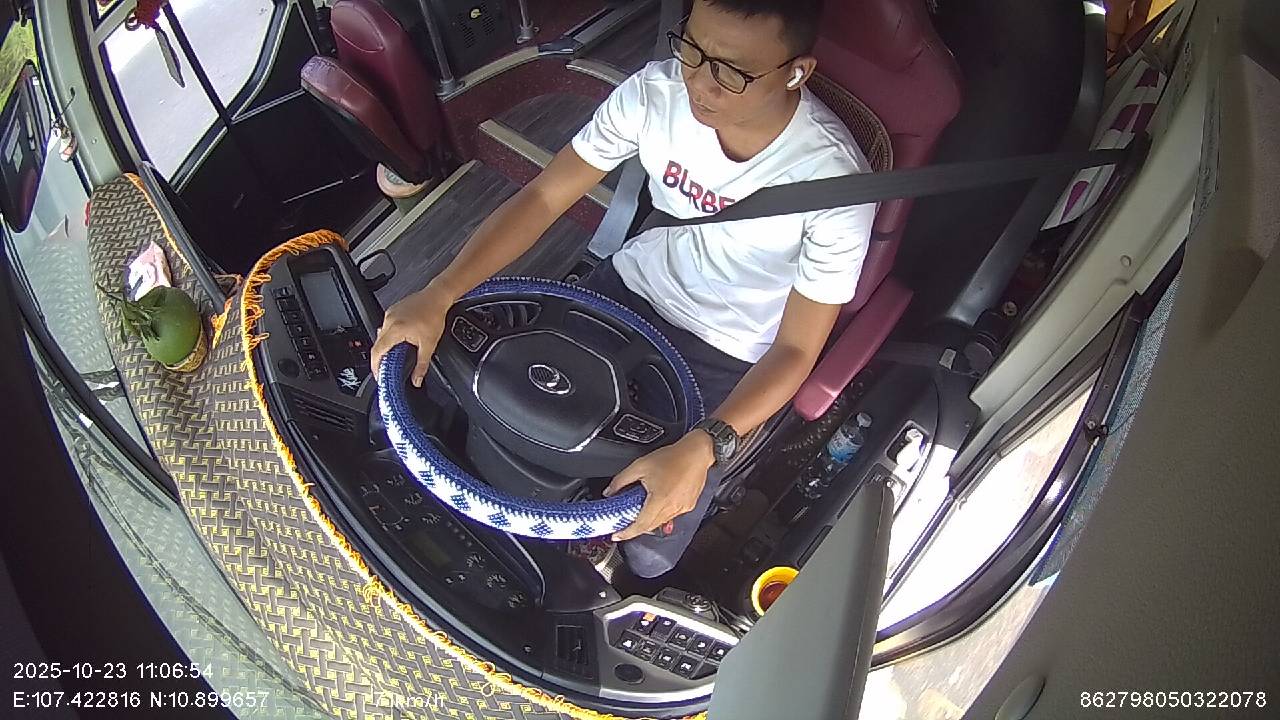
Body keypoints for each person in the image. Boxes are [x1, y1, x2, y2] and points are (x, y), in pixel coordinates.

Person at [370, 0, 874, 578]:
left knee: (651, 540)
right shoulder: (656, 93)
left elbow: (796, 349)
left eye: (732, 71)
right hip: (627, 285)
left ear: (795, 72)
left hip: (727, 349)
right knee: (460, 393)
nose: (701, 83)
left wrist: (703, 446)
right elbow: (546, 196)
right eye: (693, 50)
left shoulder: (835, 183)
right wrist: (440, 292)